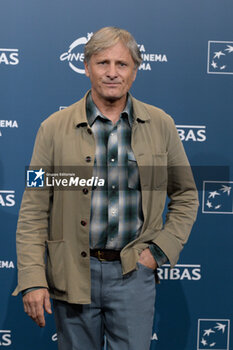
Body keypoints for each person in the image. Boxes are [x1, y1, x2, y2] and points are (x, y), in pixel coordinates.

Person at [13, 27, 199, 350]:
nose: (112, 73)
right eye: (102, 63)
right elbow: (33, 208)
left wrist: (156, 253)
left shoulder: (161, 125)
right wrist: (31, 279)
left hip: (133, 274)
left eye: (122, 64)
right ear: (86, 67)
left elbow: (186, 195)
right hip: (71, 274)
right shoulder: (52, 129)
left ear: (135, 71)